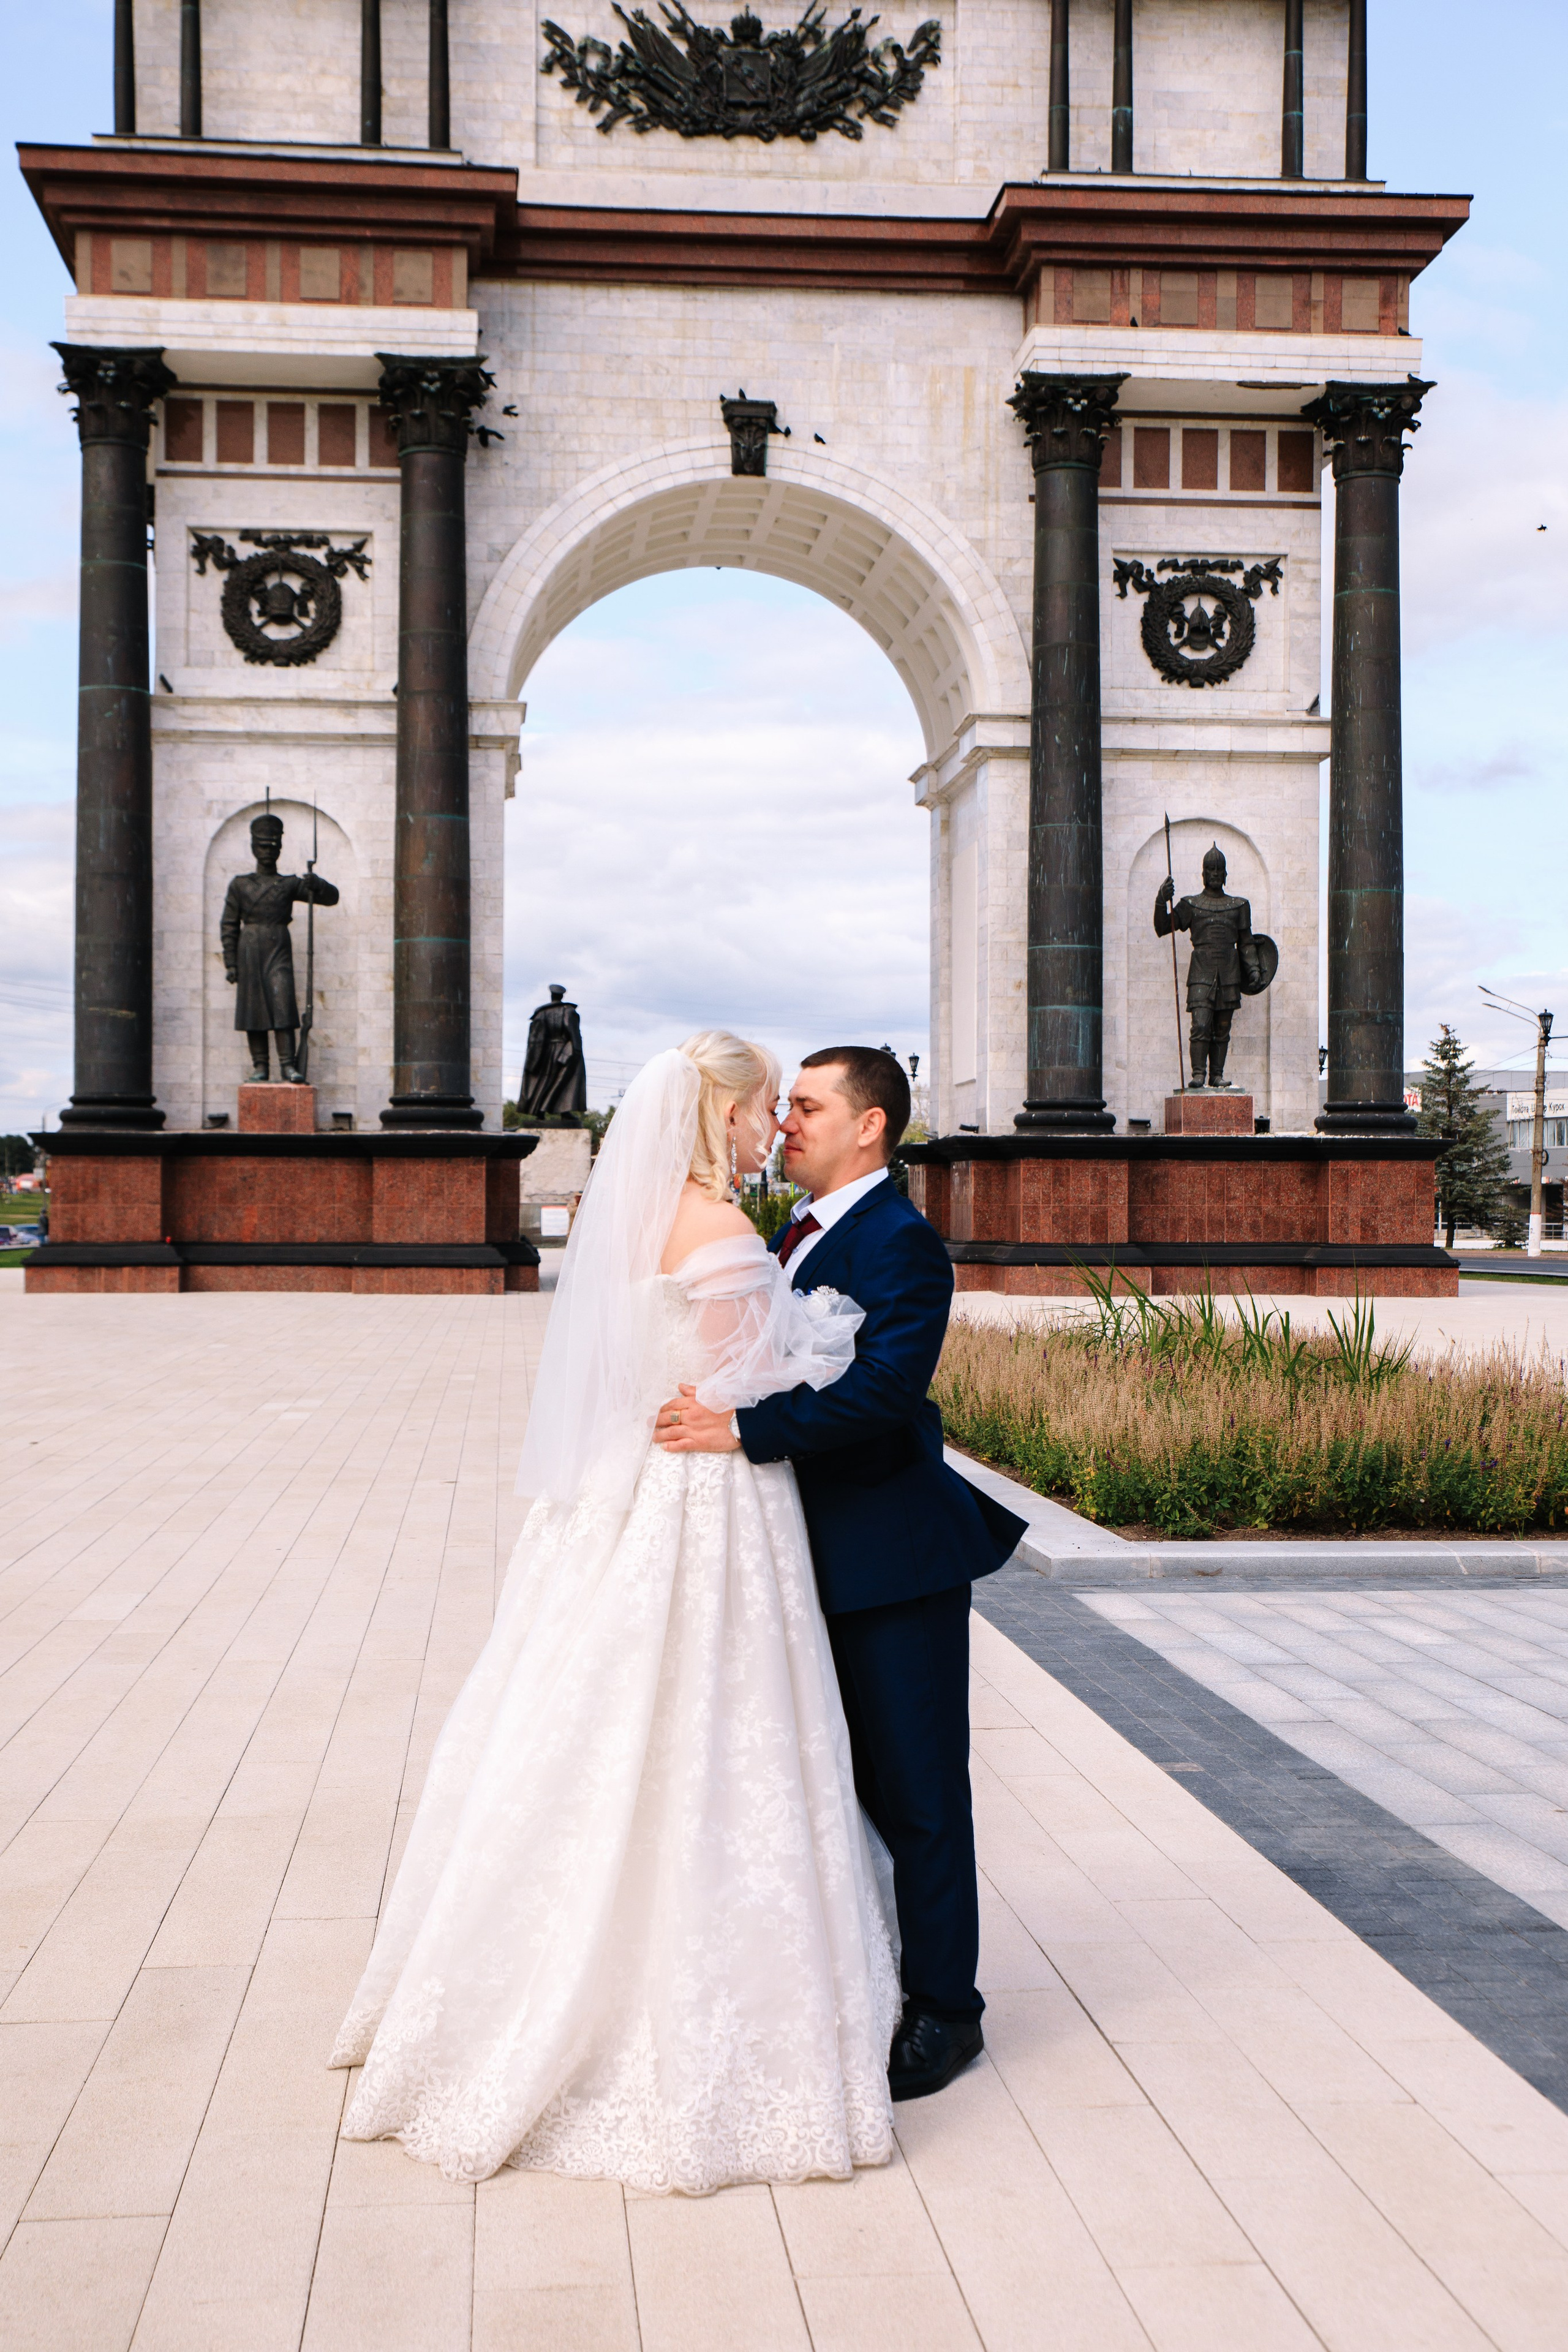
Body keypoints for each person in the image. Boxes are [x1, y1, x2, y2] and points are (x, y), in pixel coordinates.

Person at [330, 1033, 900, 2192]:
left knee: (580, 1723)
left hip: (620, 1492)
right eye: (764, 1107)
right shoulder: (724, 1230)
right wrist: (822, 1345)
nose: (773, 1127)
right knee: (717, 1736)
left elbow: (643, 1361)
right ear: (720, 1114)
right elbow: (744, 1384)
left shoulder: (635, 1220)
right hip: (709, 1501)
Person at [655, 1047, 1027, 2101]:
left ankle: (947, 2012)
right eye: (784, 1107)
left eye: (809, 1108)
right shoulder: (790, 1232)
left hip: (890, 1559)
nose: (786, 1124)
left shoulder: (901, 1242)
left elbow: (884, 1391)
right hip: (795, 1556)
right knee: (831, 1785)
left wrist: (743, 1431)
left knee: (918, 1794)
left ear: (870, 1126)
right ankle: (862, 1978)